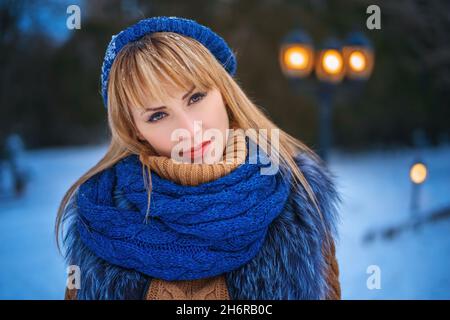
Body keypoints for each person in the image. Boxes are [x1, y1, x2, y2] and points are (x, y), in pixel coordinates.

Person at [56, 16, 341, 300]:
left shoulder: (298, 201)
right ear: (135, 131)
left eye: (195, 98)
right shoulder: (100, 216)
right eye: (157, 115)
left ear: (224, 92)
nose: (189, 130)